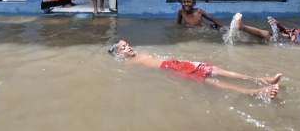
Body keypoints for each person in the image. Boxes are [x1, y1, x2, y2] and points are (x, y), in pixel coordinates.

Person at [108, 40, 281, 99]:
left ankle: (261, 79)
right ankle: (255, 92)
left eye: (127, 44)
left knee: (215, 69)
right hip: (172, 70)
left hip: (176, 64)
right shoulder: (128, 63)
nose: (128, 48)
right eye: (123, 48)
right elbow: (138, 77)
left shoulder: (140, 54)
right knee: (210, 81)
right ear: (119, 55)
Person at [233, 13, 300, 45]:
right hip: (278, 38)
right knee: (267, 33)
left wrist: (293, 42)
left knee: (266, 34)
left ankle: (242, 27)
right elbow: (285, 29)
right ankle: (241, 27)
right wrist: (278, 24)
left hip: (279, 42)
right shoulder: (298, 32)